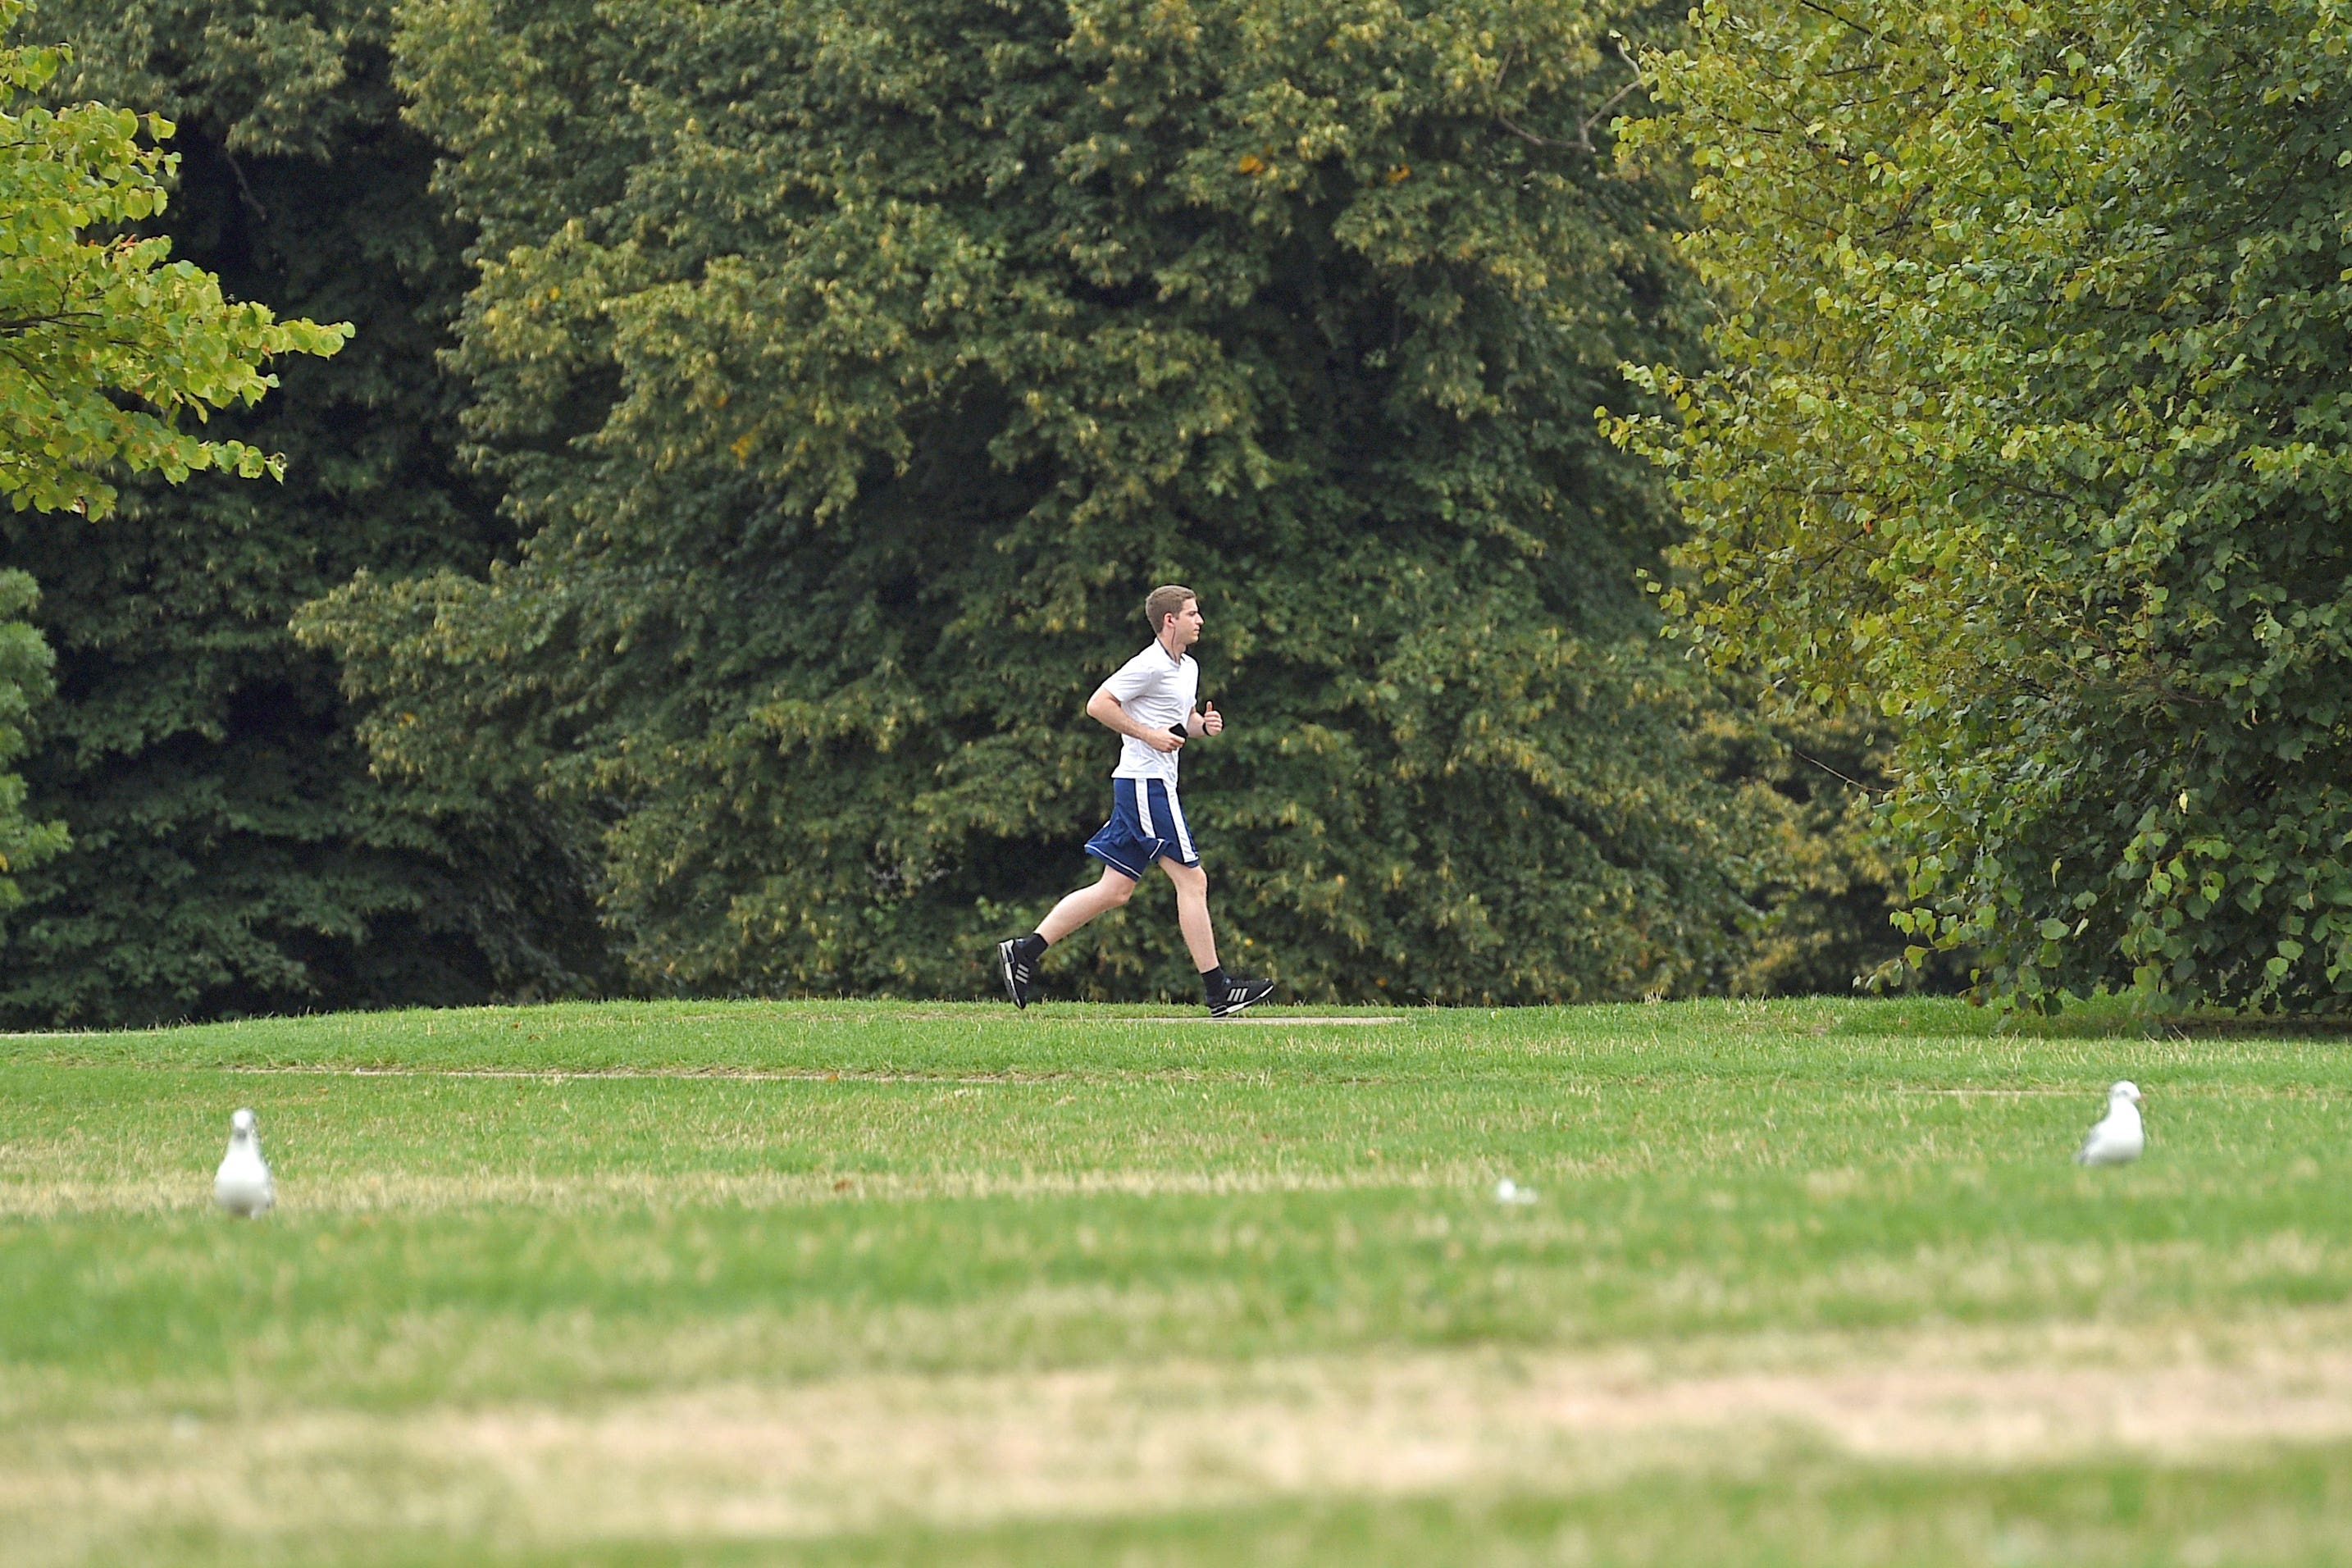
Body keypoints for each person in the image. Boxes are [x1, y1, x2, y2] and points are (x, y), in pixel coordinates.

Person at [997, 585, 1275, 1017]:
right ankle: (1218, 991)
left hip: (1145, 784)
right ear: (1170, 620)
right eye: (1192, 614)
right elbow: (1098, 705)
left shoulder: (1188, 668)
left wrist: (1203, 726)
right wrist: (1147, 736)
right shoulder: (1148, 665)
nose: (1200, 620)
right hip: (1146, 784)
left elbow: (1179, 722)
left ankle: (1024, 952)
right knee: (1193, 881)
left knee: (1115, 889)